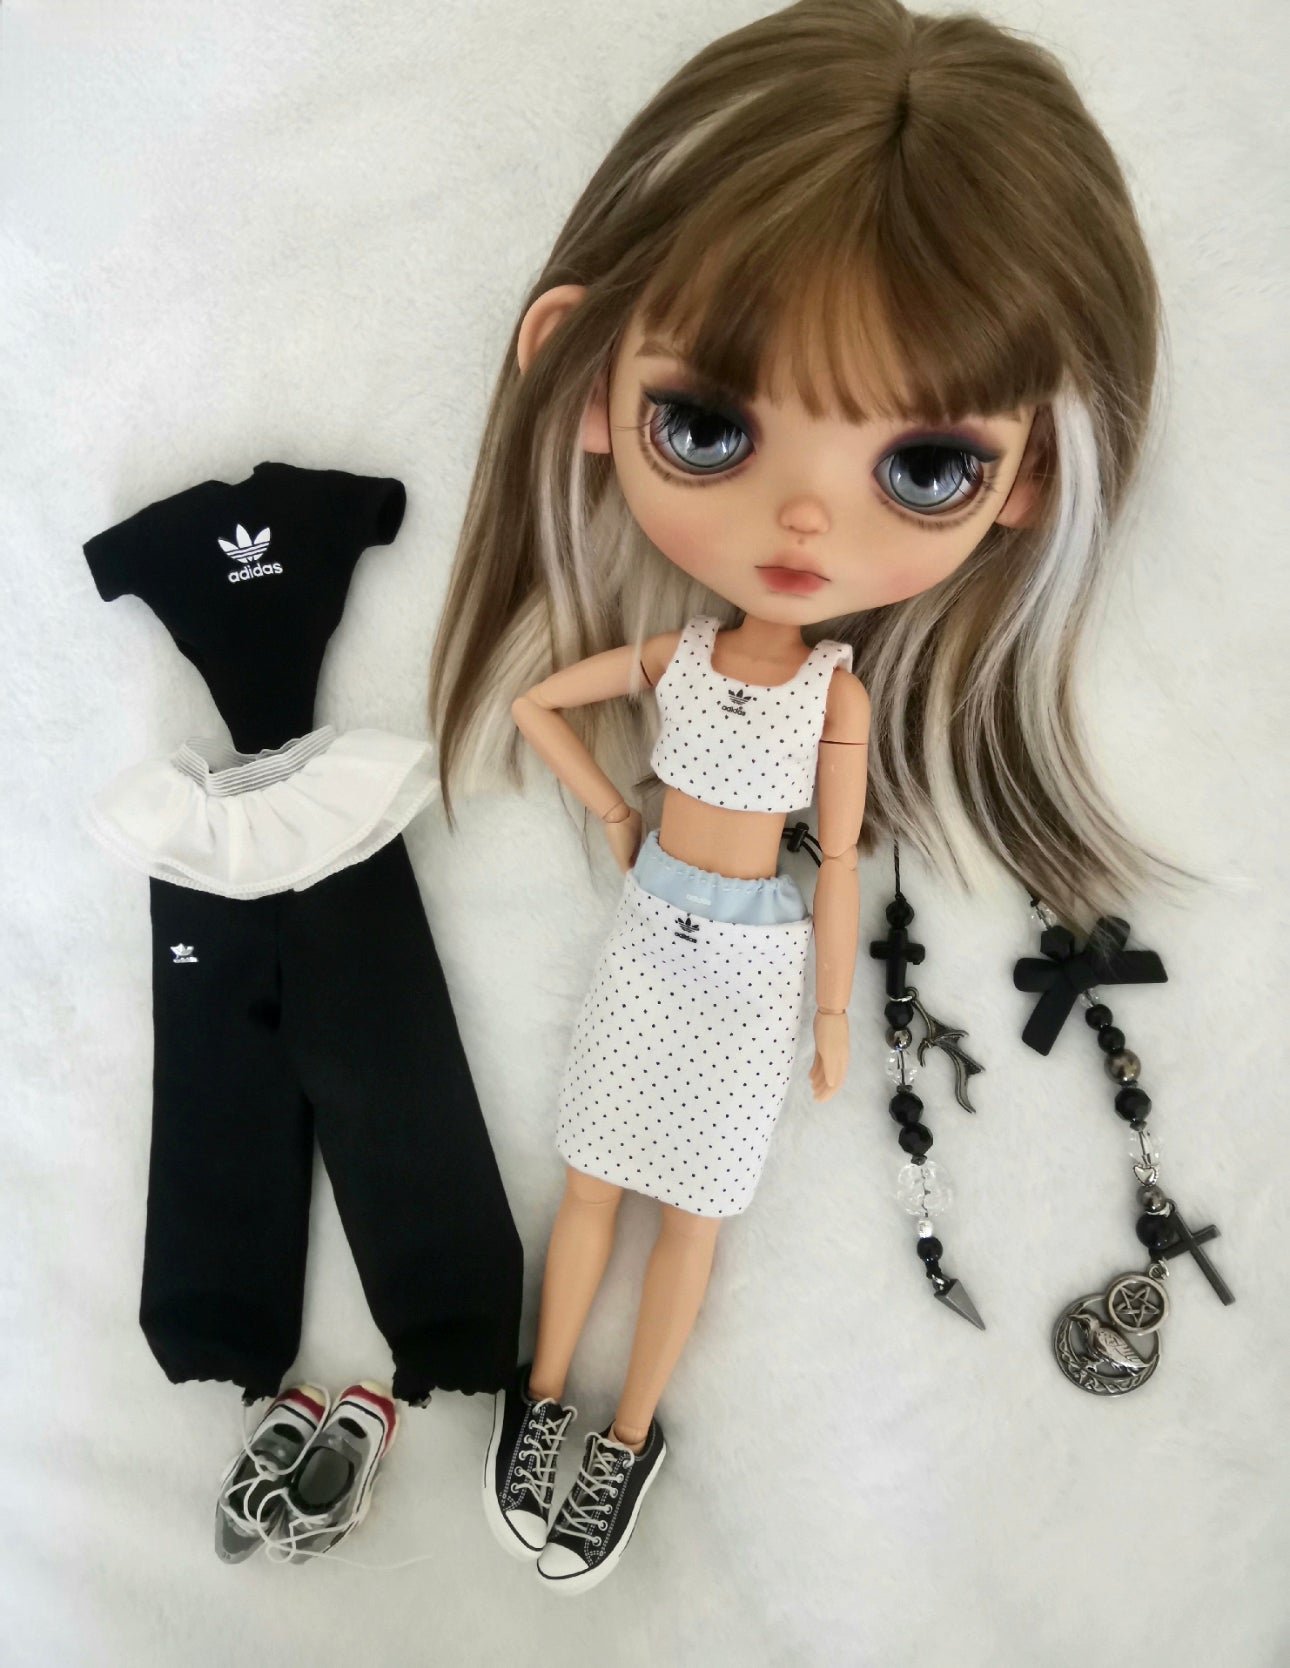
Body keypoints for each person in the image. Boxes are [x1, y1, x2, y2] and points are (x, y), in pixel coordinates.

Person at [428, 0, 1184, 1593]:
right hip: (656, 931)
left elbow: (836, 857)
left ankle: (623, 1437)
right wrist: (615, 815)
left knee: (689, 1213)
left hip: (754, 961)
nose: (801, 523)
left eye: (924, 467)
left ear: (1028, 480)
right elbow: (542, 702)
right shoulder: (679, 657)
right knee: (594, 1182)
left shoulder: (835, 699)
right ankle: (539, 1401)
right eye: (706, 424)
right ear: (579, 379)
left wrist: (833, 1010)